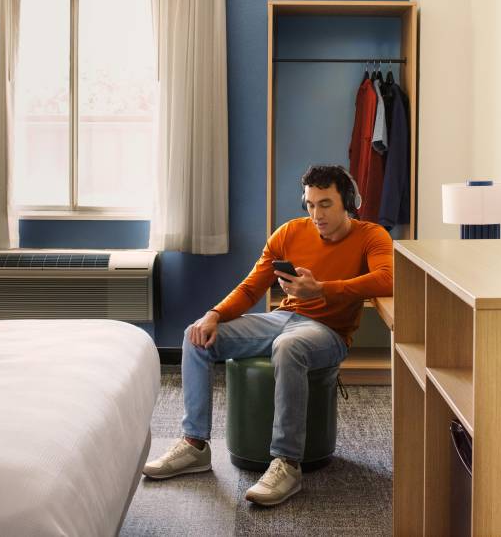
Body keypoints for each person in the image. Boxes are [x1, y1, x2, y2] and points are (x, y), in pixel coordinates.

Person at [142, 164, 394, 506]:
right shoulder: (289, 233)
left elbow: (388, 278)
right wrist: (213, 315)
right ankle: (194, 445)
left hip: (328, 333)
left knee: (288, 347)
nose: (316, 213)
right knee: (195, 335)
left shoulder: (371, 235)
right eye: (309, 204)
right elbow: (250, 288)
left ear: (347, 201)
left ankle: (287, 464)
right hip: (282, 319)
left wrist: (321, 290)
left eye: (325, 204)